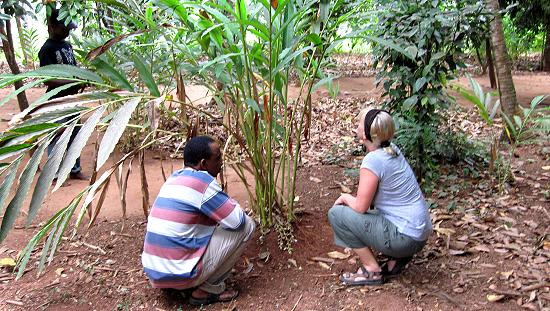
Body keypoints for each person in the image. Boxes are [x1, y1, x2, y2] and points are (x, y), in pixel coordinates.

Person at [142, 135, 255, 306]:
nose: (221, 163)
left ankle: (177, 282)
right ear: (203, 164)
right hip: (181, 275)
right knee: (247, 225)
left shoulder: (174, 179)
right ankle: (207, 290)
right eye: (217, 159)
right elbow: (237, 221)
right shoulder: (203, 182)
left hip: (155, 274)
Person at [328, 108, 432, 286]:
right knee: (373, 213)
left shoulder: (373, 161)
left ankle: (371, 270)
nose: (357, 126)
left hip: (405, 238)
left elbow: (361, 207)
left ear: (367, 134)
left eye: (360, 124)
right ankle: (396, 259)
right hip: (419, 234)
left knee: (337, 214)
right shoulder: (392, 150)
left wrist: (345, 197)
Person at [38, 8, 87, 181]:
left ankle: (75, 169)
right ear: (52, 25)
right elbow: (48, 80)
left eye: (69, 27)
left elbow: (72, 68)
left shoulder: (67, 45)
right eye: (63, 27)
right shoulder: (47, 49)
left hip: (72, 99)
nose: (67, 31)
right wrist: (73, 82)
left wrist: (83, 78)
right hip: (57, 101)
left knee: (75, 134)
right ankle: (55, 174)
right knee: (57, 136)